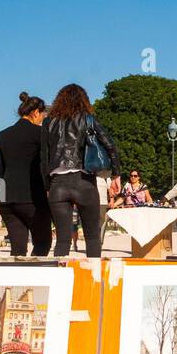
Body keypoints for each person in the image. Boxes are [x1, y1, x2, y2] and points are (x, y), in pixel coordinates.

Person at [41, 84, 121, 258]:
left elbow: (43, 158)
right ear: (84, 100)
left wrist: (48, 186)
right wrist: (116, 174)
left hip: (58, 183)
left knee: (62, 240)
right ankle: (94, 279)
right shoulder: (88, 118)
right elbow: (110, 145)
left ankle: (60, 279)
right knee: (92, 237)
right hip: (83, 180)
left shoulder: (48, 122)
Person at [0, 92, 52, 257]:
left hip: (7, 200)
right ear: (35, 113)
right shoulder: (40, 134)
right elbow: (44, 165)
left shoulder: (3, 134)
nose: (42, 119)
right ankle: (31, 281)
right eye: (42, 115)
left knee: (17, 249)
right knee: (42, 243)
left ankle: (16, 281)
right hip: (32, 197)